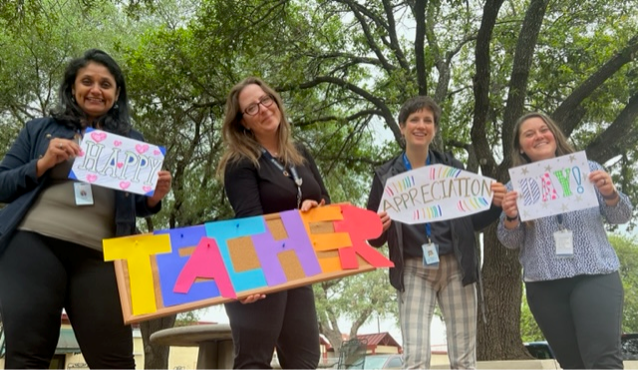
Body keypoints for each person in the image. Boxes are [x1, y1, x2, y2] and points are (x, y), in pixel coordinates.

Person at [0, 49, 172, 369]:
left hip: (102, 256)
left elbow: (136, 206)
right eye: (87, 81)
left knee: (116, 360)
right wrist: (42, 164)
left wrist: (153, 197)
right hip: (32, 245)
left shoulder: (131, 142)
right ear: (72, 88)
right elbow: (2, 184)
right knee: (26, 357)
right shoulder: (39, 129)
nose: (96, 89)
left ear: (116, 94)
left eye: (106, 84)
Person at [366, 96, 506, 370]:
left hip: (456, 267)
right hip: (413, 269)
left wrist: (495, 205)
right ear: (402, 127)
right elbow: (374, 237)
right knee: (416, 359)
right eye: (414, 120)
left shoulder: (453, 170)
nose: (421, 125)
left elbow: (473, 221)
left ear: (435, 128)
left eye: (427, 120)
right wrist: (377, 227)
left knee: (465, 361)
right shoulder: (385, 176)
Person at [498, 112, 631, 370]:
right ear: (520, 147)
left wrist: (611, 193)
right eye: (529, 134)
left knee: (604, 363)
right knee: (573, 365)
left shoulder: (591, 170)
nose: (538, 136)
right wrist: (511, 217)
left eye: (543, 129)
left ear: (555, 135)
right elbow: (509, 241)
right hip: (545, 286)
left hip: (595, 275)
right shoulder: (514, 188)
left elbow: (622, 215)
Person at [216, 76, 330, 370]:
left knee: (305, 359)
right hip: (258, 264)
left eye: (265, 100)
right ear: (243, 122)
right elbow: (250, 221)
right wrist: (251, 278)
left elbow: (326, 202)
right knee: (254, 362)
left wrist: (314, 209)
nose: (263, 109)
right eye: (251, 108)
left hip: (296, 264)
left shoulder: (300, 153)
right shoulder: (239, 162)